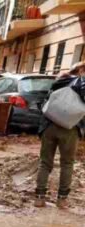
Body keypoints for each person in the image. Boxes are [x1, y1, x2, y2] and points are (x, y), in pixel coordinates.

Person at [34, 61, 85, 209]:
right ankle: (62, 200)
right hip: (70, 129)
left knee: (45, 162)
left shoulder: (60, 80)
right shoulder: (82, 83)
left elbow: (46, 101)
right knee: (67, 164)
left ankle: (39, 198)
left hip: (49, 125)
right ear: (81, 70)